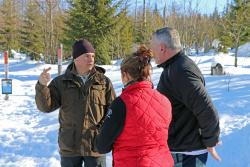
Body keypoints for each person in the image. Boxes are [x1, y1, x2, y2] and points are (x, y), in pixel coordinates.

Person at [35, 39, 116, 167]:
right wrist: (42, 86)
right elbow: (45, 107)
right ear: (76, 59)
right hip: (70, 146)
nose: (91, 59)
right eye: (87, 56)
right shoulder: (61, 82)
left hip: (95, 145)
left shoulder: (104, 82)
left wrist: (102, 133)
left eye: (93, 56)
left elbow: (112, 111)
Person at [150, 27, 221, 166]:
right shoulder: (174, 67)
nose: (152, 52)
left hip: (187, 155)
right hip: (181, 151)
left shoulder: (181, 70)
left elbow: (206, 108)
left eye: (153, 48)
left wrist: (210, 140)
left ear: (162, 48)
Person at [93, 46, 174, 167]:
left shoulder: (121, 104)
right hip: (163, 162)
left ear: (125, 75)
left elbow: (102, 146)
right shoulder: (164, 101)